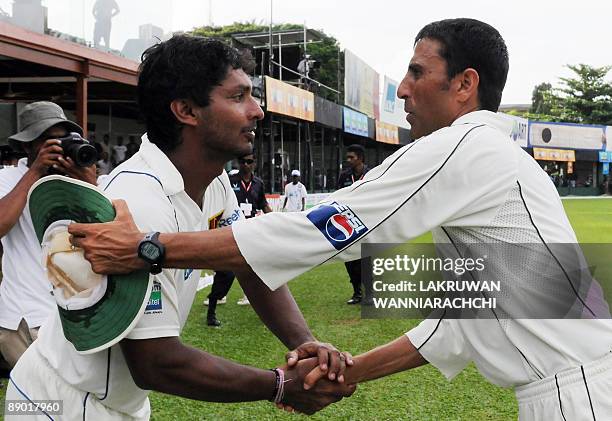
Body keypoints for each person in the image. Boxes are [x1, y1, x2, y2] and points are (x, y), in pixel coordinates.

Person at [69, 19, 612, 420]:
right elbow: (460, 318)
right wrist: (344, 371)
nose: (402, 88)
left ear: (464, 85)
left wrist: (150, 247)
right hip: (580, 385)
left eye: (418, 72)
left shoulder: (467, 144)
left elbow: (329, 227)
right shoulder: (491, 157)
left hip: (577, 393)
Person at [6, 37, 353, 420]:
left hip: (118, 402)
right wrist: (279, 384)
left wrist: (304, 342)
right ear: (186, 110)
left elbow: (246, 261)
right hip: (62, 401)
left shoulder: (215, 181)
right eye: (238, 97)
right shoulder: (138, 201)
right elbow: (156, 362)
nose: (257, 111)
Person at [0, 101, 96, 369]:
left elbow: (108, 232)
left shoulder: (71, 177)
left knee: (68, 403)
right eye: (48, 142)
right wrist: (35, 171)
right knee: (42, 402)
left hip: (72, 314)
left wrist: (90, 183)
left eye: (63, 140)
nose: (59, 147)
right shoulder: (8, 178)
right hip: (26, 317)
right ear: (27, 146)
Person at [205, 152, 273, 324]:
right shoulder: (230, 181)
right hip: (231, 232)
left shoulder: (258, 183)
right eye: (242, 161)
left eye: (249, 162)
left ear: (255, 164)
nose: (246, 165)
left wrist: (274, 221)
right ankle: (213, 306)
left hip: (251, 231)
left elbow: (263, 203)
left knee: (259, 269)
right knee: (225, 273)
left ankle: (260, 306)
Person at [337, 144, 372, 305]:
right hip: (348, 223)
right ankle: (357, 293)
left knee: (367, 259)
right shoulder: (344, 176)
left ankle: (370, 294)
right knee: (350, 260)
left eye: (352, 157)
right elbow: (337, 198)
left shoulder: (372, 174)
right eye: (347, 157)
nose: (348, 160)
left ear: (360, 158)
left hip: (369, 222)